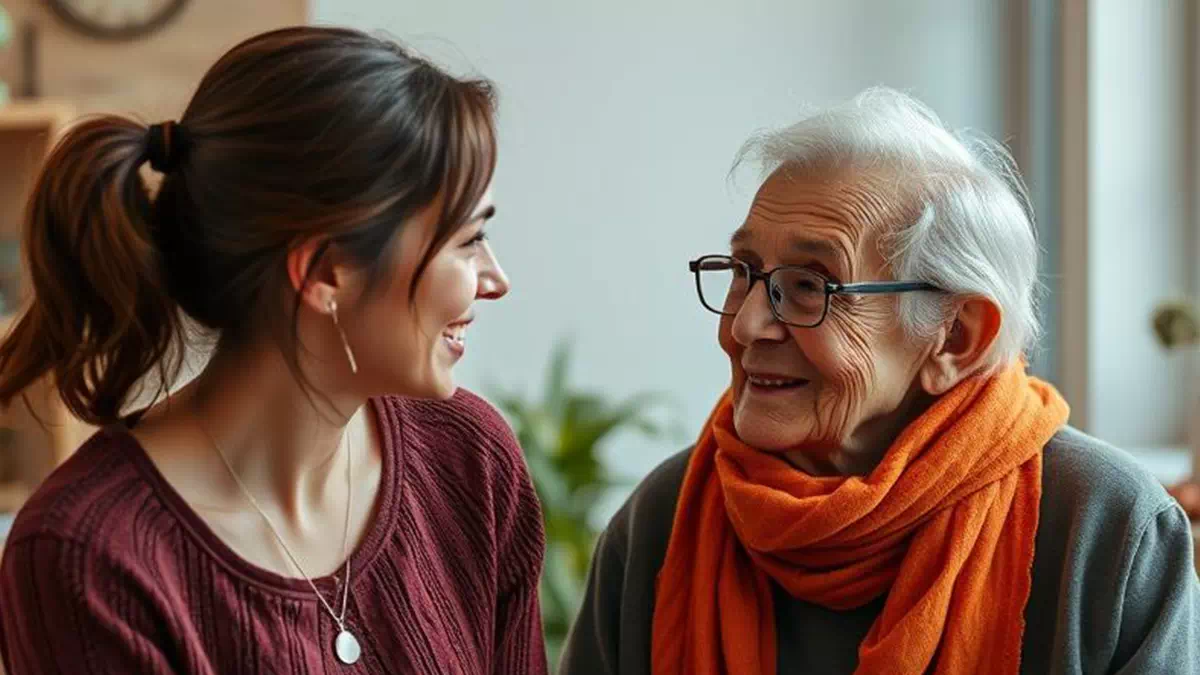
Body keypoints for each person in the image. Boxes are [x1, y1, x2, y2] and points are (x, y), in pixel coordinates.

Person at [559, 87, 1200, 675]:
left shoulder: (1108, 529)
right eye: (745, 270)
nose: (749, 323)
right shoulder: (666, 519)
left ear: (956, 337)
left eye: (809, 286)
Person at [0, 26, 546, 675]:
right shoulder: (89, 557)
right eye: (467, 241)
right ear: (324, 272)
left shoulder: (469, 459)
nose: (495, 279)